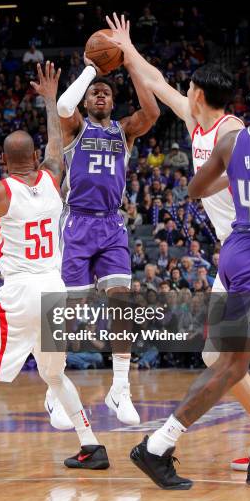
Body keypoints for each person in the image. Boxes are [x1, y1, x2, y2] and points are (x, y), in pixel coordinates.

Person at [104, 14, 250, 472]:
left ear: (201, 95)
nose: (184, 92)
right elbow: (157, 80)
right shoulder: (196, 122)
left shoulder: (233, 135)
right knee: (225, 356)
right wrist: (127, 50)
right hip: (241, 250)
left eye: (189, 89)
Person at [0, 62, 109, 484]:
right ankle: (91, 446)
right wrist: (51, 99)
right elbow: (55, 141)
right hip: (56, 289)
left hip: (20, 292)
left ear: (1, 161)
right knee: (53, 373)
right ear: (33, 158)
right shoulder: (52, 177)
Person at [51, 44, 160, 427]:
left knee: (122, 303)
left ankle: (120, 388)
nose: (99, 94)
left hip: (111, 224)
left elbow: (153, 113)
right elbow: (64, 107)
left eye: (106, 91)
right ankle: (54, 390)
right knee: (69, 311)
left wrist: (131, 64)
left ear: (113, 102)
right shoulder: (75, 126)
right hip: (77, 223)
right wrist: (88, 70)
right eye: (95, 90)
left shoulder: (124, 131)